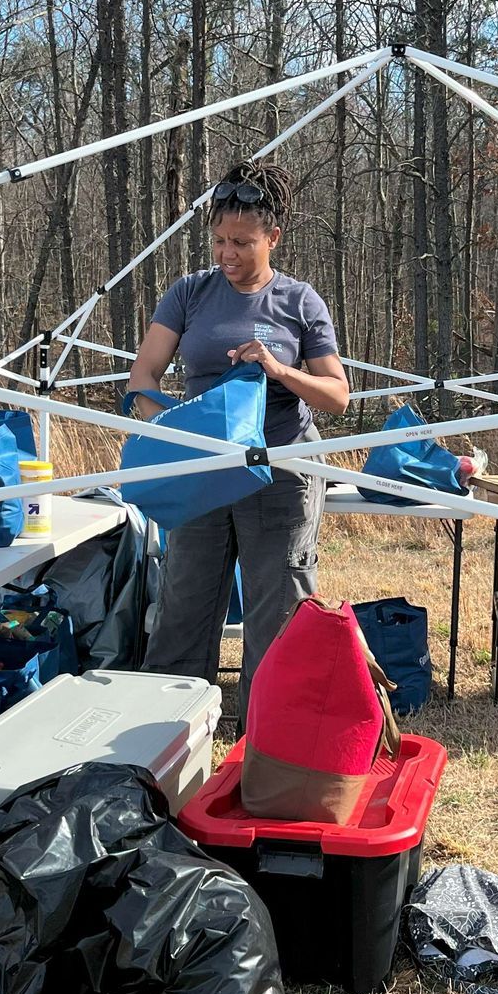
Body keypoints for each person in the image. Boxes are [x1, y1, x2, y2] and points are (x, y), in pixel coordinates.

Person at [127, 160, 351, 708]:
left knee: (278, 613)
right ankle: (168, 735)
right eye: (220, 240)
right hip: (202, 471)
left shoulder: (300, 302)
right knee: (184, 604)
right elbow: (142, 379)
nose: (227, 254)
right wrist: (181, 427)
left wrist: (279, 370)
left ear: (273, 237)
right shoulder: (190, 293)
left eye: (243, 243)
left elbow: (337, 396)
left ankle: (267, 742)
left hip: (279, 475)